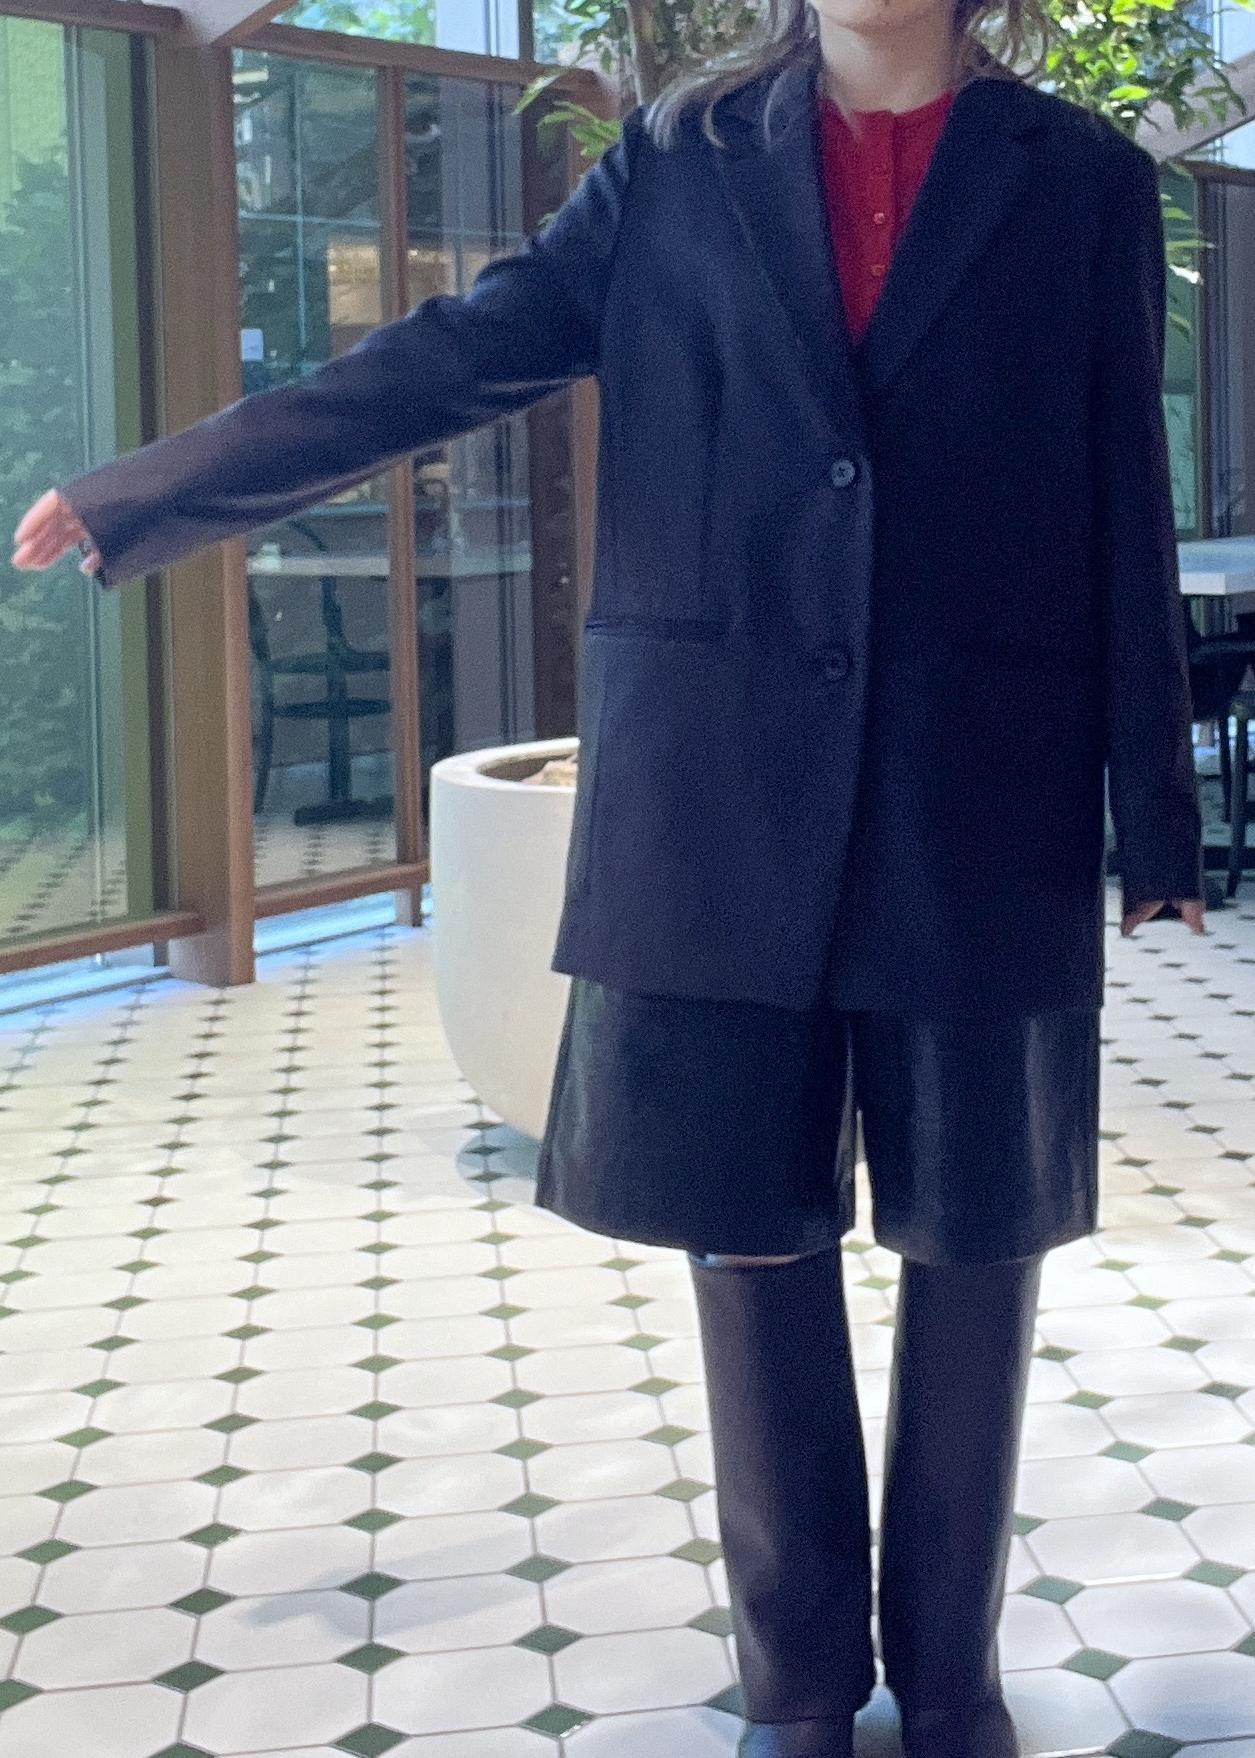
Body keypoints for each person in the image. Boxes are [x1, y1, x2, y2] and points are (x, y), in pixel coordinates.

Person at [12, 0, 1208, 1753]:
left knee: (980, 1239)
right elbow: (448, 358)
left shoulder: (1079, 179)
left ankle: (952, 1680)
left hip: (977, 791)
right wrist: (159, 490)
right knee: (749, 1230)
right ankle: (801, 1686)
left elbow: (1123, 494)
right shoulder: (676, 158)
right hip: (715, 792)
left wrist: (1155, 816)